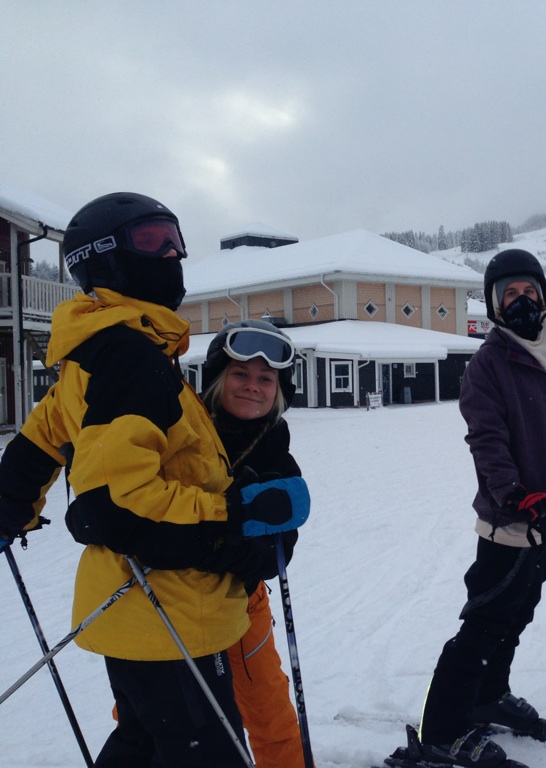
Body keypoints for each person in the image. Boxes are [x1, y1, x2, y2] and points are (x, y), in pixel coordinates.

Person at [0, 192, 309, 767]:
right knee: (203, 753)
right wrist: (231, 516)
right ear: (103, 257)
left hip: (166, 610)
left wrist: (11, 502)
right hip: (171, 612)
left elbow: (42, 441)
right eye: (152, 240)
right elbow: (120, 503)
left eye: (175, 240)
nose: (172, 254)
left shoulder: (106, 352)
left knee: (146, 745)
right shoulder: (129, 357)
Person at [390, 248, 546, 768]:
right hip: (508, 523)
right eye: (508, 294)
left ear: (544, 295)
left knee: (517, 616)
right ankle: (441, 731)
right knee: (485, 625)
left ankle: (488, 695)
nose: (520, 300)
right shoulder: (488, 364)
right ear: (493, 304)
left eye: (528, 290)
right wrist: (514, 494)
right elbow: (486, 439)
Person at [200, 320, 310, 768]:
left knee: (269, 711)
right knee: (165, 717)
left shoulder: (277, 453)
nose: (252, 386)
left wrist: (240, 547)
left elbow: (279, 549)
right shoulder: (183, 438)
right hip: (172, 604)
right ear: (218, 379)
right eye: (240, 374)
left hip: (244, 603)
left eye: (266, 379)